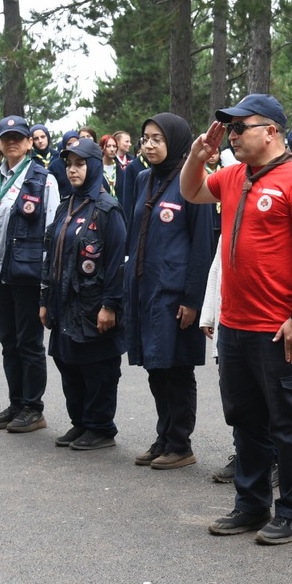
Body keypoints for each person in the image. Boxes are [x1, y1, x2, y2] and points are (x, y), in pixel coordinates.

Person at [180, 93, 292, 543]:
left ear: (271, 131)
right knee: (244, 418)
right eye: (229, 128)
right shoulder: (233, 176)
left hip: (278, 328)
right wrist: (196, 156)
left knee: (286, 422)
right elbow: (190, 191)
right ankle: (250, 504)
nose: (231, 136)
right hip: (236, 324)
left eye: (239, 128)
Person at [125, 113, 217, 469]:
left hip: (175, 293)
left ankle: (180, 444)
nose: (149, 145)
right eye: (145, 138)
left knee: (176, 368)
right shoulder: (143, 178)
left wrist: (194, 300)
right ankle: (163, 435)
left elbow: (201, 248)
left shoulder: (192, 182)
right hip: (146, 289)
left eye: (157, 139)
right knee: (155, 366)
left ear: (175, 142)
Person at [41, 137, 127, 450]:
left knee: (98, 369)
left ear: (93, 166)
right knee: (68, 362)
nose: (73, 170)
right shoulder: (67, 205)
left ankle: (101, 427)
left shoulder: (107, 209)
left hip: (93, 306)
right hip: (65, 305)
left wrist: (110, 305)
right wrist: (44, 299)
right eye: (69, 164)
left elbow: (117, 263)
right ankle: (81, 422)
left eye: (80, 164)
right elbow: (51, 255)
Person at [0, 115, 59, 433]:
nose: (12, 142)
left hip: (27, 275)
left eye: (19, 137)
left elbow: (51, 231)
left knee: (29, 343)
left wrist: (46, 282)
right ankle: (16, 402)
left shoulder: (44, 180)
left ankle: (33, 407)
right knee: (8, 342)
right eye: (6, 137)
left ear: (30, 142)